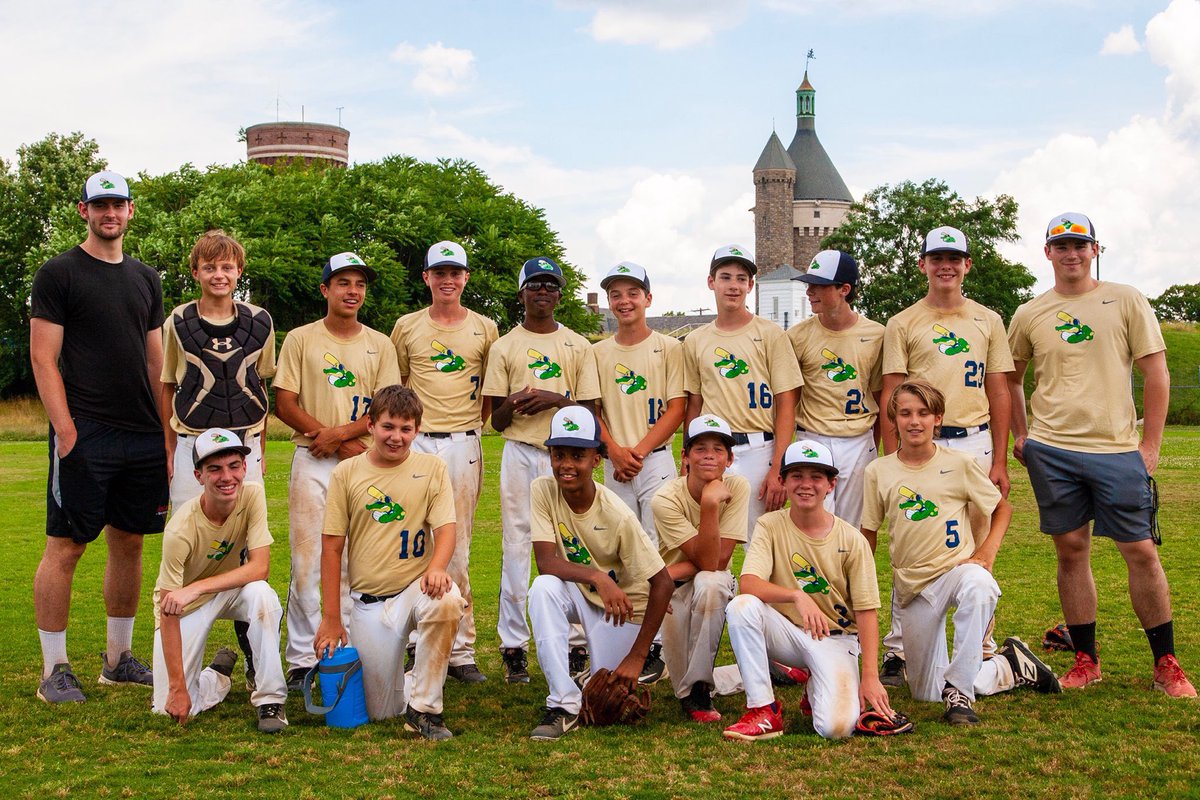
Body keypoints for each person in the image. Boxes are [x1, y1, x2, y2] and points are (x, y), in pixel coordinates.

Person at [1007, 212, 1195, 697]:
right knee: (1072, 552)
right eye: (1061, 246)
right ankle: (1087, 660)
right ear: (1047, 252)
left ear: (1095, 250)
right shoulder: (1030, 313)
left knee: (1141, 552)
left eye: (1080, 245)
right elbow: (1011, 379)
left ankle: (1166, 664)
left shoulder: (1126, 299)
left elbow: (1157, 373)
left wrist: (1150, 445)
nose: (1071, 253)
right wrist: (1023, 434)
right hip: (1054, 449)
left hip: (1115, 449)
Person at [30, 170, 168, 703]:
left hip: (142, 433)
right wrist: (66, 430)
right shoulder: (59, 273)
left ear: (131, 211)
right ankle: (55, 669)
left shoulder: (145, 278)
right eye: (100, 205)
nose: (110, 213)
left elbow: (156, 358)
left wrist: (165, 427)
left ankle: (118, 659)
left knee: (129, 543)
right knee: (65, 546)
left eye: (119, 205)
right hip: (85, 432)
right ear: (84, 211)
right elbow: (43, 358)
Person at [861, 380, 1060, 726]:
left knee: (980, 584)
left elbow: (1003, 509)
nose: (914, 421)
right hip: (913, 587)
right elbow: (869, 533)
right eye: (905, 413)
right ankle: (1009, 666)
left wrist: (986, 553)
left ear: (938, 419)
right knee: (925, 691)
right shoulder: (879, 471)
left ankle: (959, 694)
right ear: (893, 419)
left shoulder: (960, 463)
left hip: (956, 571)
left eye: (924, 413)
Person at [877, 226, 1014, 687]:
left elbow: (998, 388)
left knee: (977, 545)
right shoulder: (904, 321)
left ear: (967, 265)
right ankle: (898, 649)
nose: (946, 265)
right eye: (937, 257)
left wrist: (999, 457)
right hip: (918, 439)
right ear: (923, 265)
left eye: (954, 258)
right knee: (910, 535)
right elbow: (892, 389)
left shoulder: (988, 319)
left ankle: (982, 645)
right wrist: (890, 445)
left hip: (974, 439)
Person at [273, 251, 401, 688]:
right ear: (325, 289)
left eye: (360, 284)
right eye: (343, 283)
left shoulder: (379, 343)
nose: (352, 291)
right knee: (308, 560)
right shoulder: (301, 339)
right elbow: (286, 403)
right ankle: (303, 660)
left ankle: (349, 654)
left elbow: (388, 408)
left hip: (363, 461)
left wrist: (342, 436)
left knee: (357, 562)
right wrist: (326, 437)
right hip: (313, 460)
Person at [315, 385, 466, 740]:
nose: (396, 437)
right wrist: (332, 617)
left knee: (446, 599)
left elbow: (446, 529)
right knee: (381, 711)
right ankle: (414, 683)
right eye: (388, 426)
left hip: (417, 587)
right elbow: (332, 547)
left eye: (406, 429)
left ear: (417, 429)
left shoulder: (432, 468)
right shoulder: (347, 472)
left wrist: (437, 567)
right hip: (370, 602)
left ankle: (426, 712)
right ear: (370, 425)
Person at [160, 229, 275, 689]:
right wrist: (169, 447)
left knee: (249, 548)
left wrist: (259, 449)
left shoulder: (261, 321)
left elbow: (262, 383)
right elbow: (169, 382)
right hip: (194, 442)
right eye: (209, 267)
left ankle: (253, 659)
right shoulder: (178, 321)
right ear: (196, 272)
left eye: (227, 267)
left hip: (244, 445)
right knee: (188, 549)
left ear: (239, 272)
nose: (219, 274)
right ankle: (182, 656)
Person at [482, 257, 600, 684]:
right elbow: (495, 420)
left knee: (574, 543)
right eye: (535, 285)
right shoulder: (505, 346)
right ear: (522, 294)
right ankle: (513, 645)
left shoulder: (577, 345)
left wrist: (554, 399)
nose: (543, 292)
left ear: (560, 294)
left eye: (551, 285)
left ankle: (574, 643)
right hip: (520, 451)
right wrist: (513, 403)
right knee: (516, 545)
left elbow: (589, 412)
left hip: (567, 455)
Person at [723, 439, 889, 741]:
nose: (806, 485)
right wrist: (796, 596)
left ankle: (817, 687)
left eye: (816, 477)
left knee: (835, 729)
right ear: (783, 481)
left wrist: (870, 677)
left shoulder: (852, 539)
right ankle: (763, 710)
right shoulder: (770, 525)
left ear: (831, 484)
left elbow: (866, 611)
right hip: (788, 631)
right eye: (797, 476)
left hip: (837, 639)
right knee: (742, 606)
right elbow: (748, 583)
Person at [526, 408, 674, 740]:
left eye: (577, 455)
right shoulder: (542, 489)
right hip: (591, 593)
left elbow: (663, 583)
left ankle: (590, 677)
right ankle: (562, 704)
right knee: (543, 588)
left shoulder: (616, 514)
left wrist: (638, 658)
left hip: (622, 612)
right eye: (558, 454)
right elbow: (546, 562)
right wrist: (598, 577)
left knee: (607, 697)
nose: (566, 464)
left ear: (596, 460)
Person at [391, 240, 498, 684]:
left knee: (458, 544)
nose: (448, 279)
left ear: (465, 278)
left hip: (461, 441)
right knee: (412, 537)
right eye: (440, 272)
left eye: (455, 272)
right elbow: (397, 386)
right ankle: (416, 638)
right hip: (416, 442)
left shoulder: (485, 328)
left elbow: (490, 393)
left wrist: (468, 428)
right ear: (427, 278)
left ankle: (461, 647)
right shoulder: (407, 326)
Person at [151, 429, 287, 732]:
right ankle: (217, 675)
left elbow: (260, 567)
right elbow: (168, 607)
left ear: (244, 467)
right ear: (199, 476)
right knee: (169, 709)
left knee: (263, 596)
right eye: (215, 469)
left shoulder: (253, 495)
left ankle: (270, 700)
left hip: (228, 590)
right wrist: (177, 688)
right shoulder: (179, 530)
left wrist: (197, 587)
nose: (227, 477)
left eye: (234, 466)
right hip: (185, 606)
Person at [593, 261, 685, 684]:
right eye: (616, 294)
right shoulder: (598, 351)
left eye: (632, 292)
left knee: (658, 552)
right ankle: (626, 640)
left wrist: (639, 452)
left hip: (656, 458)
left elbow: (678, 408)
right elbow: (593, 411)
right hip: (616, 463)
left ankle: (659, 648)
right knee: (621, 552)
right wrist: (614, 450)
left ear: (648, 298)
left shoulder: (669, 348)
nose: (624, 301)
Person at [682, 245, 802, 538]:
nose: (733, 285)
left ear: (750, 285)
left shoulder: (771, 333)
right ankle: (721, 586)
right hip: (713, 450)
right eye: (725, 277)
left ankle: (753, 586)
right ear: (712, 282)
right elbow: (694, 404)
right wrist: (687, 456)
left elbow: (786, 402)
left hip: (760, 449)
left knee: (760, 538)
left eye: (740, 278)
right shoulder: (696, 340)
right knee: (708, 536)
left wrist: (778, 466)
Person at [651, 414, 748, 722]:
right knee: (678, 686)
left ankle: (701, 690)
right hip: (670, 591)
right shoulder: (665, 498)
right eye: (700, 448)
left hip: (708, 581)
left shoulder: (738, 487)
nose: (709, 455)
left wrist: (709, 503)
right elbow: (705, 558)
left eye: (719, 449)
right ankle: (757, 671)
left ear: (730, 459)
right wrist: (709, 504)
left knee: (712, 582)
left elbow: (716, 562)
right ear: (685, 456)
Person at [788, 249, 884, 527]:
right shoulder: (797, 336)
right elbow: (787, 399)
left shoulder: (877, 334)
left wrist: (876, 447)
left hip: (859, 439)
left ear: (844, 289)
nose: (810, 292)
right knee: (813, 525)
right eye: (809, 284)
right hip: (813, 437)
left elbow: (882, 395)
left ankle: (852, 574)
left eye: (819, 285)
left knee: (855, 527)